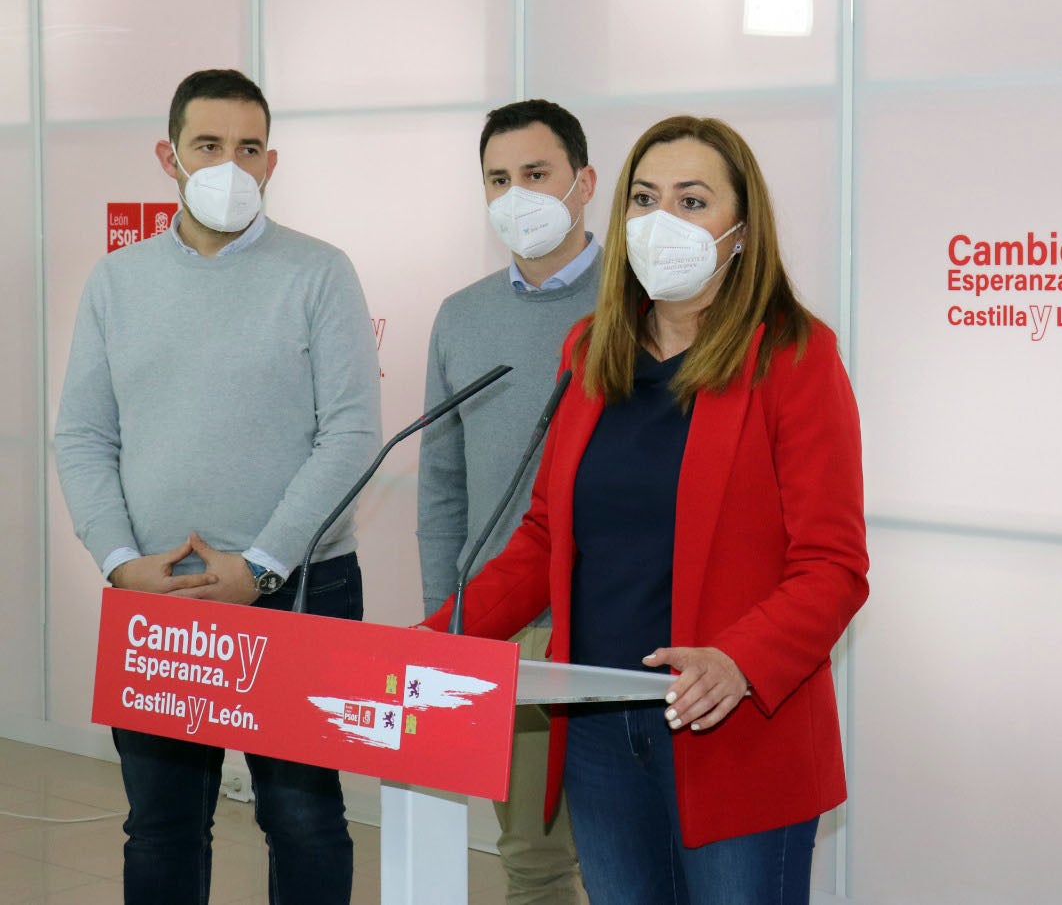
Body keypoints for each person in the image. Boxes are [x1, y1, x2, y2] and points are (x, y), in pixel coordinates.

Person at [423, 116, 868, 905]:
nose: (663, 222)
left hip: (731, 728)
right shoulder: (591, 348)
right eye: (645, 199)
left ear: (740, 227)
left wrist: (738, 661)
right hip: (598, 725)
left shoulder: (794, 356)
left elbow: (832, 565)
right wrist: (440, 641)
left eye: (692, 201)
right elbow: (545, 538)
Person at [55, 69, 381, 905]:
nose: (230, 165)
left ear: (271, 162)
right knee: (161, 826)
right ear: (169, 156)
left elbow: (349, 436)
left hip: (302, 590)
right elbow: (85, 436)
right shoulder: (117, 282)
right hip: (160, 602)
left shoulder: (320, 272)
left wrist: (262, 566)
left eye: (248, 148)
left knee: (304, 820)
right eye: (209, 146)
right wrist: (123, 562)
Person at [417, 99, 598, 904]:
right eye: (499, 179)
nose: (516, 194)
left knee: (644, 851)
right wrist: (449, 618)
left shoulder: (644, 308)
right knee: (531, 857)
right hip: (507, 625)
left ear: (583, 182)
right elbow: (442, 483)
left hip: (623, 621)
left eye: (536, 174)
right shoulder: (461, 315)